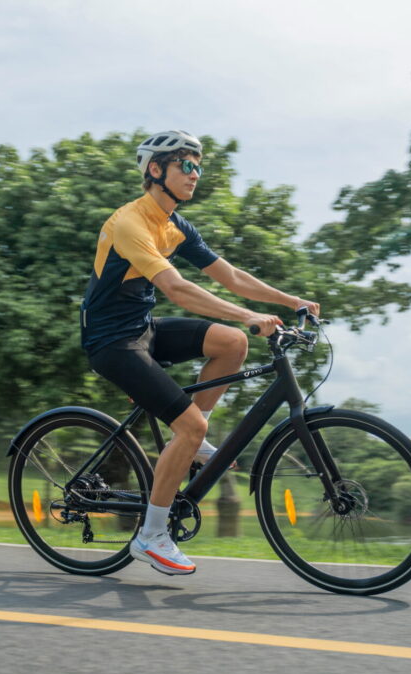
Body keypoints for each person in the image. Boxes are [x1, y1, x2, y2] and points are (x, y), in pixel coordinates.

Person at [80, 130, 319, 576]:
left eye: (198, 165)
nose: (195, 174)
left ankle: (184, 443)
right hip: (111, 342)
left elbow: (230, 275)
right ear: (156, 170)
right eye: (185, 165)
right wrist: (248, 314)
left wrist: (290, 301)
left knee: (233, 343)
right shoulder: (130, 222)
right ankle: (151, 535)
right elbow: (176, 288)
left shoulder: (175, 225)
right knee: (192, 424)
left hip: (142, 329)